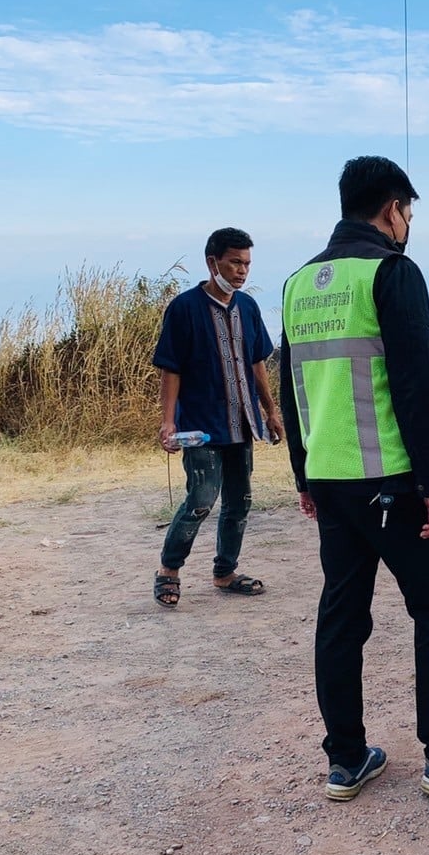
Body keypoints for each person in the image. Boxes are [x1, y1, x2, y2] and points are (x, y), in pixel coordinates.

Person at [278, 155, 429, 802]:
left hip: (331, 480)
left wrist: (303, 475)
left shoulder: (299, 284)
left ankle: (346, 759)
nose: (408, 223)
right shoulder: (391, 272)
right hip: (391, 480)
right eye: (408, 212)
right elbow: (416, 387)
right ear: (392, 209)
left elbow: (292, 388)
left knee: (341, 618)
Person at [152, 227, 283, 608]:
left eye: (247, 264)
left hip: (242, 423)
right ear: (213, 262)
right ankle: (168, 571)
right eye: (235, 262)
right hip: (201, 426)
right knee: (201, 498)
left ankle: (225, 572)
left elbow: (257, 364)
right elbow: (171, 368)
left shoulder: (248, 308)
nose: (242, 271)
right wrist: (168, 421)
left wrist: (270, 411)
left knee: (240, 502)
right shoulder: (184, 308)